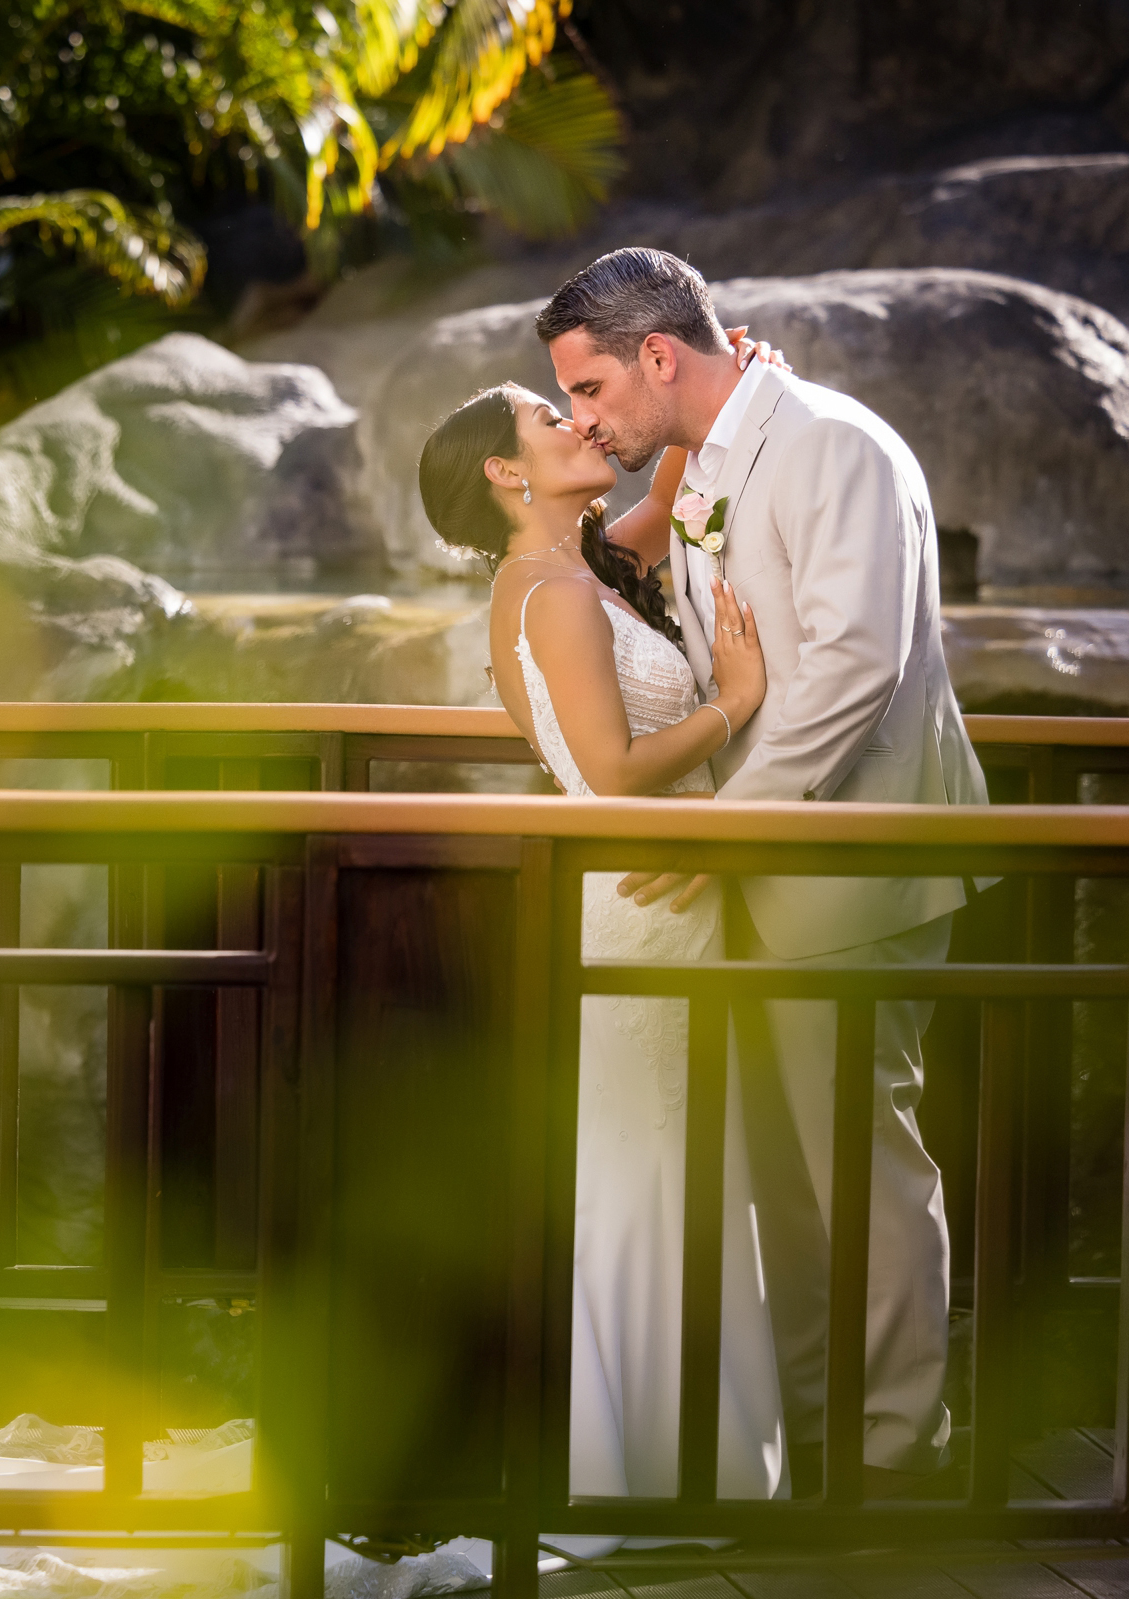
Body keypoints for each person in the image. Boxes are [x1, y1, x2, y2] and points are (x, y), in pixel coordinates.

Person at [537, 247, 990, 1498]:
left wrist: (726, 827)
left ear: (659, 358)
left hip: (853, 870)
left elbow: (853, 666)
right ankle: (810, 1445)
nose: (584, 419)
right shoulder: (709, 465)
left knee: (862, 1168)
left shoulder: (836, 446)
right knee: (786, 1183)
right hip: (756, 882)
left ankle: (898, 1453)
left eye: (587, 390)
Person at [417, 366, 786, 1546]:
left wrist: (721, 382)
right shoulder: (550, 594)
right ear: (504, 470)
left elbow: (661, 475)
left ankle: (668, 1461)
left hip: (650, 903)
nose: (580, 421)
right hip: (643, 901)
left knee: (670, 1173)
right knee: (655, 1178)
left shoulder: (572, 567)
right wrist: (734, 703)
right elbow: (616, 775)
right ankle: (649, 1475)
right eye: (547, 415)